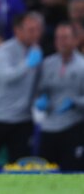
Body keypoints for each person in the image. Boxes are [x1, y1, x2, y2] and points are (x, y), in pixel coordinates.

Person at [0, 12, 44, 169]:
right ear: (18, 30)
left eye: (38, 30)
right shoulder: (5, 51)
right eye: (31, 30)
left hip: (22, 120)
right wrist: (27, 64)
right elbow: (5, 77)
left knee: (20, 166)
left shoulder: (37, 51)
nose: (36, 34)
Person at [34, 22, 84, 171]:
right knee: (46, 172)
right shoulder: (48, 63)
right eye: (58, 38)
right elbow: (40, 90)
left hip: (73, 126)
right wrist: (41, 98)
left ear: (76, 40)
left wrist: (75, 102)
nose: (61, 42)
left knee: (72, 172)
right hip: (49, 127)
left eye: (65, 37)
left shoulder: (82, 65)